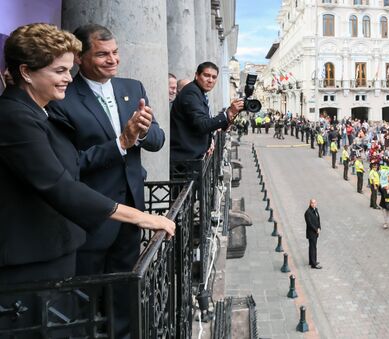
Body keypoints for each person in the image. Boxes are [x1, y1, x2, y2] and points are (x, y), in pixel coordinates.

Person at [0, 22, 175, 333]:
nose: (69, 77)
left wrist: (140, 134)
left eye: (69, 69)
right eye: (60, 70)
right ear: (26, 72)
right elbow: (59, 184)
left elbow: (71, 167)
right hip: (31, 261)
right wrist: (141, 217)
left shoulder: (38, 111)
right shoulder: (15, 116)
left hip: (54, 249)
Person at [47, 23, 167, 337]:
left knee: (124, 289)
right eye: (102, 54)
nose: (112, 59)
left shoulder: (133, 87)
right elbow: (70, 166)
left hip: (131, 208)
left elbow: (156, 139)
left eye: (115, 52)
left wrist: (141, 132)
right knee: (83, 296)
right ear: (80, 58)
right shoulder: (62, 97)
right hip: (90, 216)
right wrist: (121, 142)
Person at [170, 61, 244, 162]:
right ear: (196, 75)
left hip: (193, 158)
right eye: (206, 75)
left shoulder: (199, 92)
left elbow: (203, 121)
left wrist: (210, 141)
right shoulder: (191, 93)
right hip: (185, 161)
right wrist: (228, 113)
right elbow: (201, 124)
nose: (210, 80)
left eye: (214, 77)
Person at [304, 199, 322, 269]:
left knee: (313, 247)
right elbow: (309, 224)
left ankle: (312, 261)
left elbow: (318, 220)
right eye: (312, 203)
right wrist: (316, 229)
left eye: (314, 203)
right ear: (310, 204)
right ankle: (314, 264)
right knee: (313, 248)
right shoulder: (307, 212)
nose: (313, 204)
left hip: (316, 232)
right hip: (311, 233)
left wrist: (319, 227)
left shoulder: (316, 210)